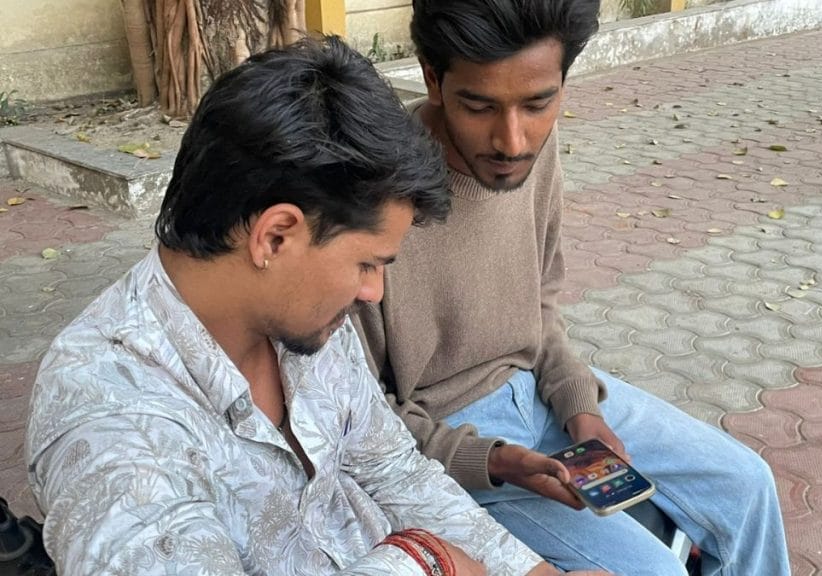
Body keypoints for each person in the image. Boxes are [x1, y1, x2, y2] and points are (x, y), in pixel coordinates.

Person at [25, 36, 600, 576]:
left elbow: (393, 469)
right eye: (366, 263)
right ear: (276, 237)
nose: (372, 292)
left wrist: (531, 571)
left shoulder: (306, 323)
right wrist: (426, 559)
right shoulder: (105, 414)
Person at [352, 1, 792, 574]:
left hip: (542, 393)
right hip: (452, 443)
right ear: (433, 79)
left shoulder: (537, 149)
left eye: (538, 103)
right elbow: (362, 420)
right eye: (479, 105)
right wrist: (498, 462)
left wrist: (581, 408)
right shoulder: (369, 199)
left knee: (747, 484)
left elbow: (540, 306)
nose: (512, 142)